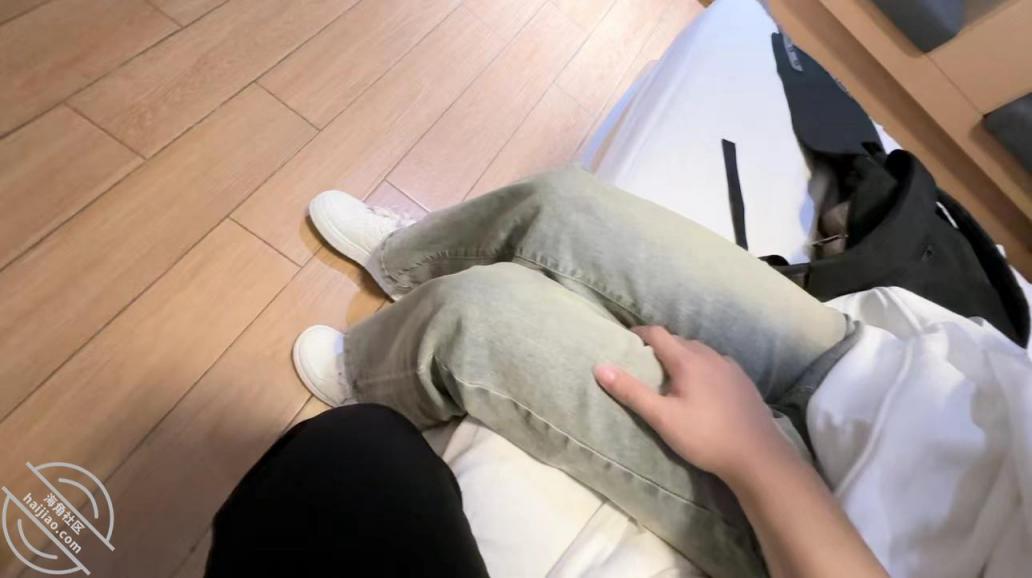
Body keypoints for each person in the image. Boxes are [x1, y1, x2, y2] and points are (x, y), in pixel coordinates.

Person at [207, 168, 888, 578]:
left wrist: (755, 452)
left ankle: (366, 372)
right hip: (870, 373)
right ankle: (401, 257)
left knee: (480, 319)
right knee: (560, 203)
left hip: (835, 533)